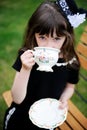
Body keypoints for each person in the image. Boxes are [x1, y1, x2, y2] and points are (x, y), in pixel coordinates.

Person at [3, 0, 87, 130]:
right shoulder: (27, 56)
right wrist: (25, 69)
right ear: (33, 33)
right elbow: (17, 99)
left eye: (56, 39)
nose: (49, 46)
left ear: (67, 36)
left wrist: (64, 99)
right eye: (42, 37)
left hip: (48, 118)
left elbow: (70, 87)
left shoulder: (71, 61)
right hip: (21, 117)